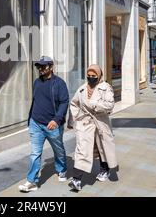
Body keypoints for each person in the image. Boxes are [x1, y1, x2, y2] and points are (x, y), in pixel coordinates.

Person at [18, 56, 69, 193]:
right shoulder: (36, 82)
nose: (41, 69)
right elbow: (35, 101)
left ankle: (61, 169)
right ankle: (31, 181)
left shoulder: (59, 83)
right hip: (36, 123)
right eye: (38, 67)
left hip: (52, 125)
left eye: (44, 66)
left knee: (58, 149)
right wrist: (31, 119)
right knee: (35, 153)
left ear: (51, 67)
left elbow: (64, 102)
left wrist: (56, 119)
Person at [67, 64, 117, 192]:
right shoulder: (82, 89)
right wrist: (76, 119)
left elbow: (110, 105)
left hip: (101, 123)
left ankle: (104, 169)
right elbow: (74, 103)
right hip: (86, 124)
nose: (91, 78)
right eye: (88, 76)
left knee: (102, 148)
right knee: (82, 150)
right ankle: (76, 179)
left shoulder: (106, 88)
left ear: (99, 76)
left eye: (93, 76)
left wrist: (95, 105)